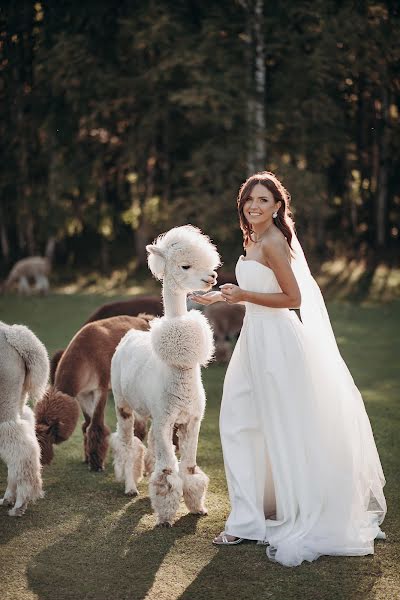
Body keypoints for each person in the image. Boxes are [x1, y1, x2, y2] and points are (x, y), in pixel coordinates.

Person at [189, 171, 386, 567]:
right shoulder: (252, 239)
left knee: (281, 426)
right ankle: (257, 513)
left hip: (279, 344)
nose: (254, 205)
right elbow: (256, 293)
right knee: (239, 422)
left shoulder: (276, 241)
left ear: (277, 206)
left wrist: (243, 294)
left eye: (263, 199)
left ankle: (257, 519)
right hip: (253, 341)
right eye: (249, 199)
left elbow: (293, 298)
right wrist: (221, 298)